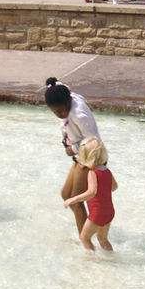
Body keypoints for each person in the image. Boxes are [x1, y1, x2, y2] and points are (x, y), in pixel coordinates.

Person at [44, 76, 100, 233]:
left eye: (61, 111)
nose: (60, 115)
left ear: (69, 101)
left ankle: (86, 241)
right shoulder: (66, 94)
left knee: (76, 201)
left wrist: (72, 149)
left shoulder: (79, 115)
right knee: (66, 195)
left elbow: (92, 142)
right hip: (79, 157)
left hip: (89, 158)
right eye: (55, 112)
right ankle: (87, 230)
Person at [62, 136, 117, 253]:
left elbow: (91, 192)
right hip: (109, 211)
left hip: (97, 213)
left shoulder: (92, 173)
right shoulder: (107, 171)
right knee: (102, 239)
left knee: (84, 238)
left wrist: (73, 200)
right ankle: (111, 258)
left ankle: (90, 260)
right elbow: (114, 187)